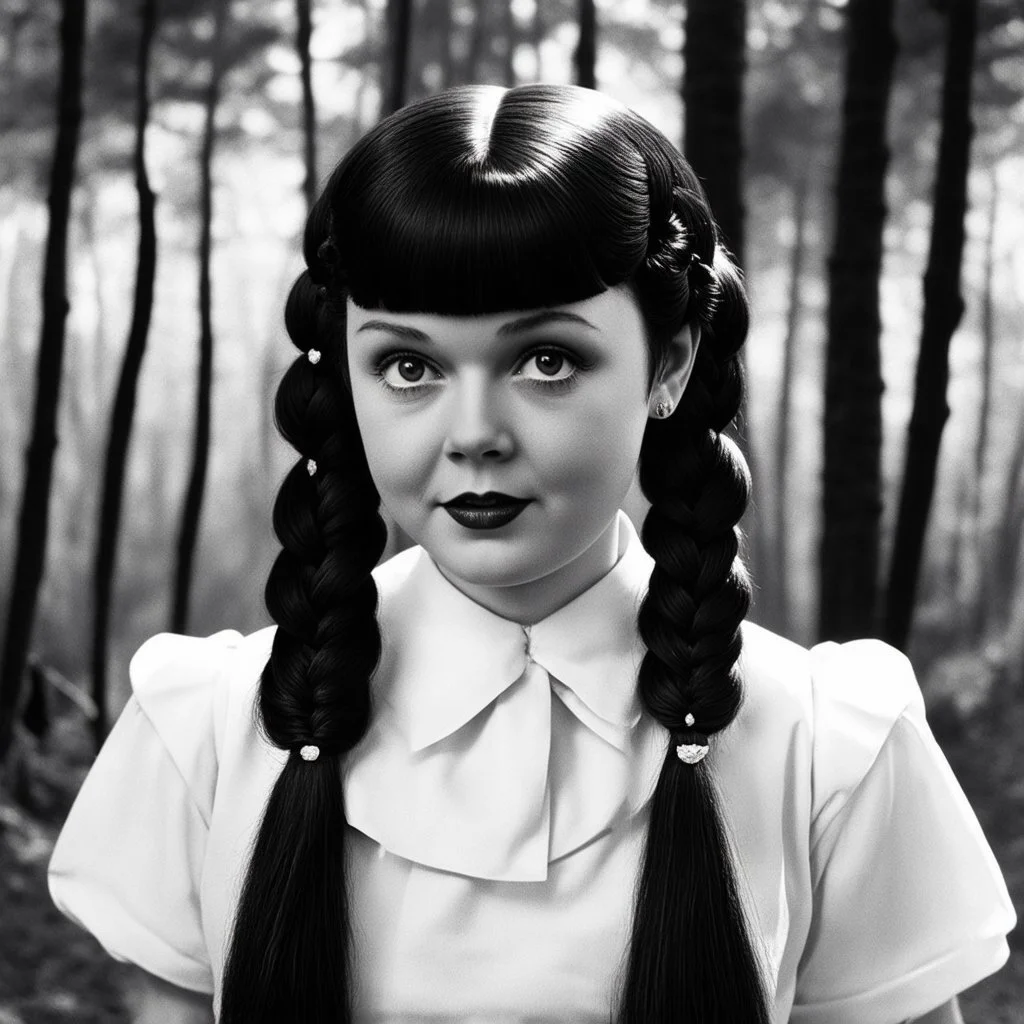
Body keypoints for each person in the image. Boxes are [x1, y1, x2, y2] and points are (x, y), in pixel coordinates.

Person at [49, 84, 1014, 1024]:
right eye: (408, 365)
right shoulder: (207, 734)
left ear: (671, 362)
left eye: (545, 359)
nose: (474, 434)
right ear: (342, 377)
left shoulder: (827, 747)